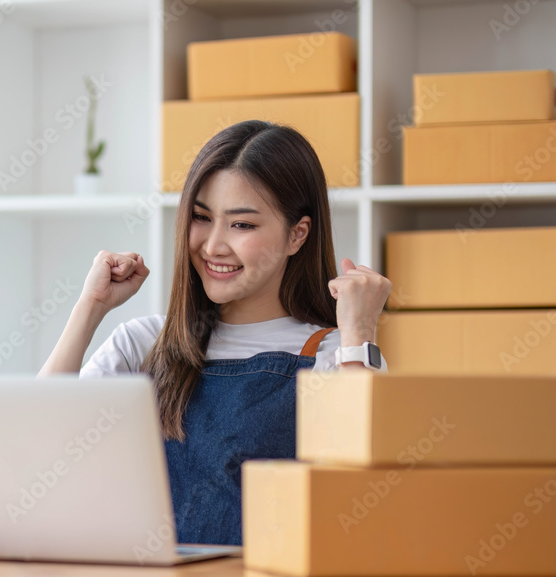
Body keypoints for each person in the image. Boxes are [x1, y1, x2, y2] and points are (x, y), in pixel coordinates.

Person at [38, 120, 392, 546]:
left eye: (242, 225)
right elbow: (41, 450)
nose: (213, 246)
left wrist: (359, 330)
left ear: (297, 235)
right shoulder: (144, 344)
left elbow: (360, 506)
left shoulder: (339, 353)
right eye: (202, 218)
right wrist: (89, 308)